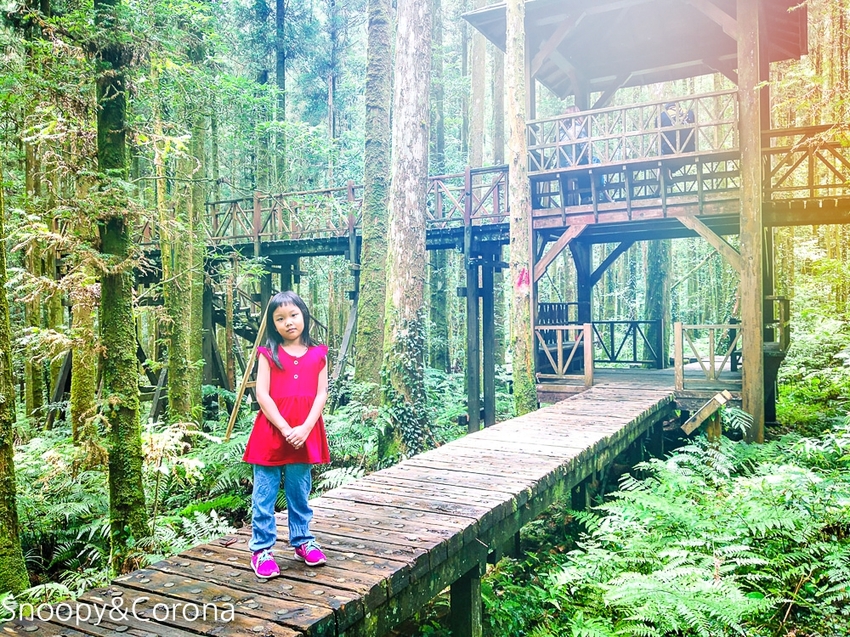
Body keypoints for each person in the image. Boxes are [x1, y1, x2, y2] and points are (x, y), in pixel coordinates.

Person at [243, 290, 330, 578]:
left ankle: (303, 541)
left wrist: (305, 428)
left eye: (293, 315)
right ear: (273, 324)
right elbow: (262, 394)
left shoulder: (318, 354)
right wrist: (284, 427)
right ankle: (262, 550)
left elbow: (321, 395)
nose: (288, 322)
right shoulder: (269, 354)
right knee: (265, 494)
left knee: (299, 491)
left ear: (304, 315)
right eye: (280, 318)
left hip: (305, 432)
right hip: (271, 431)